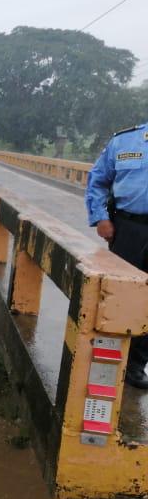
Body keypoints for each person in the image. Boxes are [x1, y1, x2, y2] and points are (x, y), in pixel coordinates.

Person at [86, 123, 148, 389]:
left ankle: (135, 365)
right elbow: (98, 181)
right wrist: (100, 217)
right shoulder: (124, 141)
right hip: (127, 228)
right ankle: (106, 361)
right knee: (118, 294)